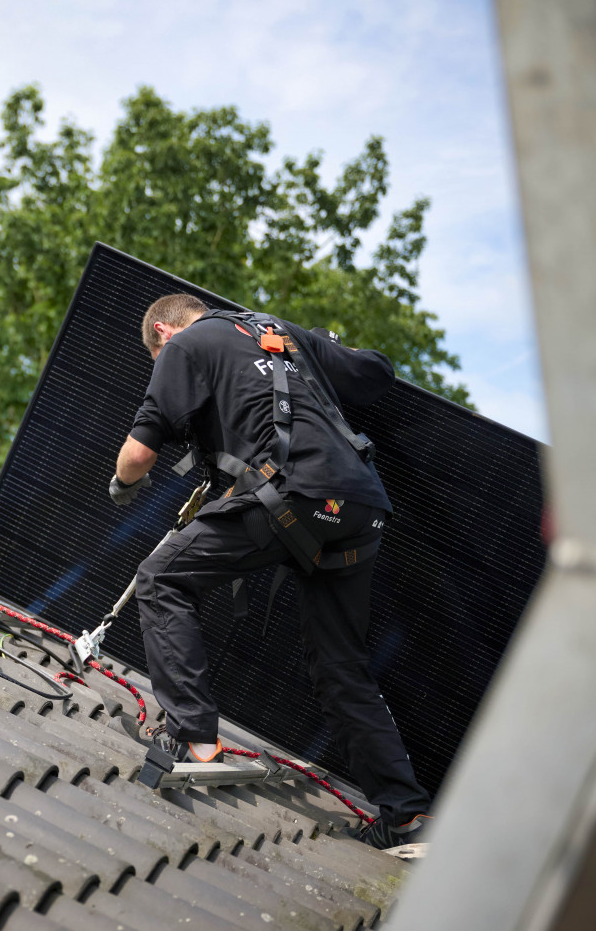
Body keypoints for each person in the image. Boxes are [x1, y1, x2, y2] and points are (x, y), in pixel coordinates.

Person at [108, 292, 432, 849]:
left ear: (163, 332)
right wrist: (326, 341)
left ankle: (192, 739)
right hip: (359, 506)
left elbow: (138, 454)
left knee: (162, 578)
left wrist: (122, 485)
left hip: (293, 495)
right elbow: (376, 372)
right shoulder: (279, 332)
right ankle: (405, 814)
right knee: (341, 665)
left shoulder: (184, 346)